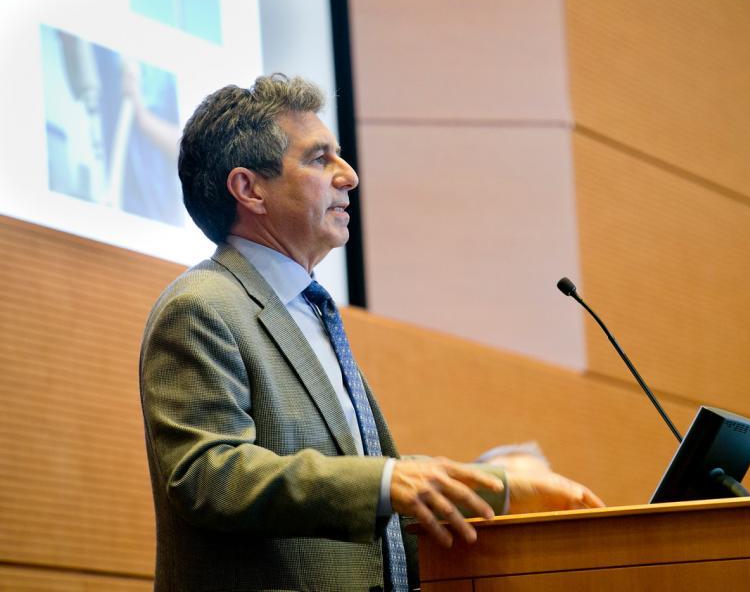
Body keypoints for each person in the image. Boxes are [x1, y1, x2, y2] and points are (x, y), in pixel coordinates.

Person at [139, 74, 602, 592]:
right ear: (250, 189)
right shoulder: (202, 306)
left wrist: (502, 490)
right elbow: (209, 476)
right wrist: (387, 480)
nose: (350, 175)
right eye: (320, 159)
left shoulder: (308, 310)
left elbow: (366, 487)